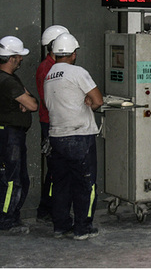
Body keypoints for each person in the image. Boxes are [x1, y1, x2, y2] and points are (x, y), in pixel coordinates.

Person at [44, 33, 103, 240]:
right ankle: (83, 228)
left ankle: (61, 226)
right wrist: (90, 102)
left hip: (56, 136)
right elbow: (98, 100)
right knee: (86, 184)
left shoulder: (50, 74)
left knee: (61, 184)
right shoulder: (77, 72)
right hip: (79, 136)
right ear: (74, 53)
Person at [0, 36, 39, 233]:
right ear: (11, 58)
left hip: (10, 134)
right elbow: (32, 104)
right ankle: (7, 220)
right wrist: (25, 101)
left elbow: (29, 100)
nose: (21, 60)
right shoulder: (8, 81)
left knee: (17, 178)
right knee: (12, 179)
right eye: (18, 56)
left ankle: (10, 217)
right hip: (10, 135)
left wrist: (25, 100)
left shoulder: (10, 79)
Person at [35, 25, 69, 223]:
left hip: (53, 120)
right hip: (53, 122)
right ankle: (49, 209)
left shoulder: (50, 67)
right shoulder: (48, 68)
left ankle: (47, 208)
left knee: (56, 169)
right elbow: (50, 99)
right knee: (57, 169)